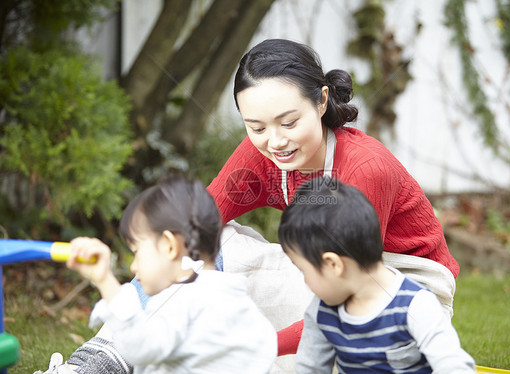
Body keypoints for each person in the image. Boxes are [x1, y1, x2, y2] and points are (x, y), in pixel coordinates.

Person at [207, 38, 459, 355]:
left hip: (397, 292)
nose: (275, 142)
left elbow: (352, 292)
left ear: (321, 101)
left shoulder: (366, 170)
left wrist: (263, 345)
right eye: (256, 128)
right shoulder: (262, 156)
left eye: (289, 122)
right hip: (325, 275)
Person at [62, 176, 277, 373]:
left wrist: (105, 280)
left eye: (137, 253)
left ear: (169, 245)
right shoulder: (238, 301)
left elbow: (139, 347)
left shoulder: (186, 304)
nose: (133, 267)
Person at [278, 176, 476, 373]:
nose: (306, 282)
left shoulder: (414, 305)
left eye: (304, 271)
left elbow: (454, 366)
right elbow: (310, 369)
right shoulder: (321, 312)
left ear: (333, 264)